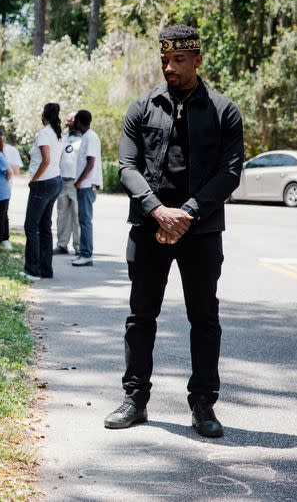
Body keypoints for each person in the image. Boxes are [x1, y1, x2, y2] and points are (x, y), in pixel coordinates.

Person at [104, 24, 244, 439]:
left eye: (178, 60)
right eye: (165, 60)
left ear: (198, 59)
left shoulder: (223, 111)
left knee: (204, 318)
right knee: (140, 316)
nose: (170, 67)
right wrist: (157, 211)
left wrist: (185, 213)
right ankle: (135, 399)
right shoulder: (142, 107)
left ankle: (203, 403)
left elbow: (231, 172)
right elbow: (126, 166)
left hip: (200, 231)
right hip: (149, 228)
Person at [20, 103, 63, 280]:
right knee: (44, 226)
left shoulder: (45, 133)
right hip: (55, 180)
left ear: (44, 115)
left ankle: (33, 270)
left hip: (44, 182)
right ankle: (46, 269)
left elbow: (46, 160)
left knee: (30, 226)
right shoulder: (57, 133)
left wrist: (34, 179)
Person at [71, 109, 103, 266]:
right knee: (82, 220)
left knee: (85, 221)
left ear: (78, 122)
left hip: (86, 185)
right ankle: (84, 252)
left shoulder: (90, 137)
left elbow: (90, 163)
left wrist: (78, 181)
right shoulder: (87, 136)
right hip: (84, 185)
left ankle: (86, 254)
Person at [54, 112, 82, 255]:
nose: (68, 122)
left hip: (77, 183)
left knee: (77, 216)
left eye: (71, 120)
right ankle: (62, 245)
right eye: (67, 120)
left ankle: (78, 246)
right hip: (62, 181)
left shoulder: (85, 139)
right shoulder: (63, 139)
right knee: (62, 215)